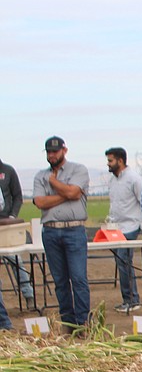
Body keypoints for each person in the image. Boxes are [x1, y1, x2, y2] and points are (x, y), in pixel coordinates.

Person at [33, 136, 90, 333]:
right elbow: (40, 203)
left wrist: (54, 183)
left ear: (64, 151)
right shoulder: (40, 175)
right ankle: (68, 322)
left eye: (55, 151)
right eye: (49, 152)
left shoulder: (78, 170)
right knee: (60, 280)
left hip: (74, 229)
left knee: (78, 278)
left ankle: (83, 323)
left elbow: (75, 193)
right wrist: (65, 194)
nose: (52, 155)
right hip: (50, 231)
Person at [104, 147, 142, 313]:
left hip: (131, 226)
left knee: (124, 261)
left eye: (110, 160)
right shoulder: (112, 180)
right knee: (120, 262)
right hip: (115, 227)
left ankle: (133, 299)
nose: (108, 164)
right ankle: (126, 299)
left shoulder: (134, 179)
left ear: (120, 161)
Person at [0, 155, 33, 306]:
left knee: (16, 260)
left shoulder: (8, 171)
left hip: (7, 225)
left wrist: (13, 216)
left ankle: (28, 294)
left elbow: (17, 196)